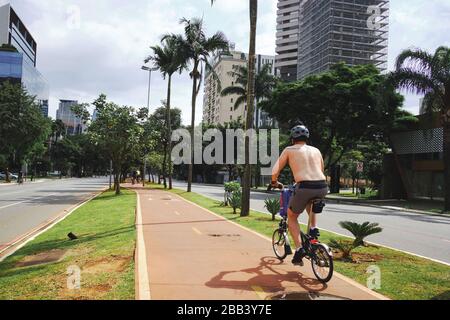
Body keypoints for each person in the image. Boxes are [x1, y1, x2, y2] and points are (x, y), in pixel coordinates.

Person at [271, 125, 328, 266]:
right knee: (311, 203)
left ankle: (299, 248)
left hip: (304, 186)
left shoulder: (289, 150)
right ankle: (313, 229)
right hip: (322, 185)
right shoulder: (316, 150)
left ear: (292, 139)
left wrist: (274, 182)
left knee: (291, 216)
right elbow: (320, 169)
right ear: (306, 138)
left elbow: (275, 170)